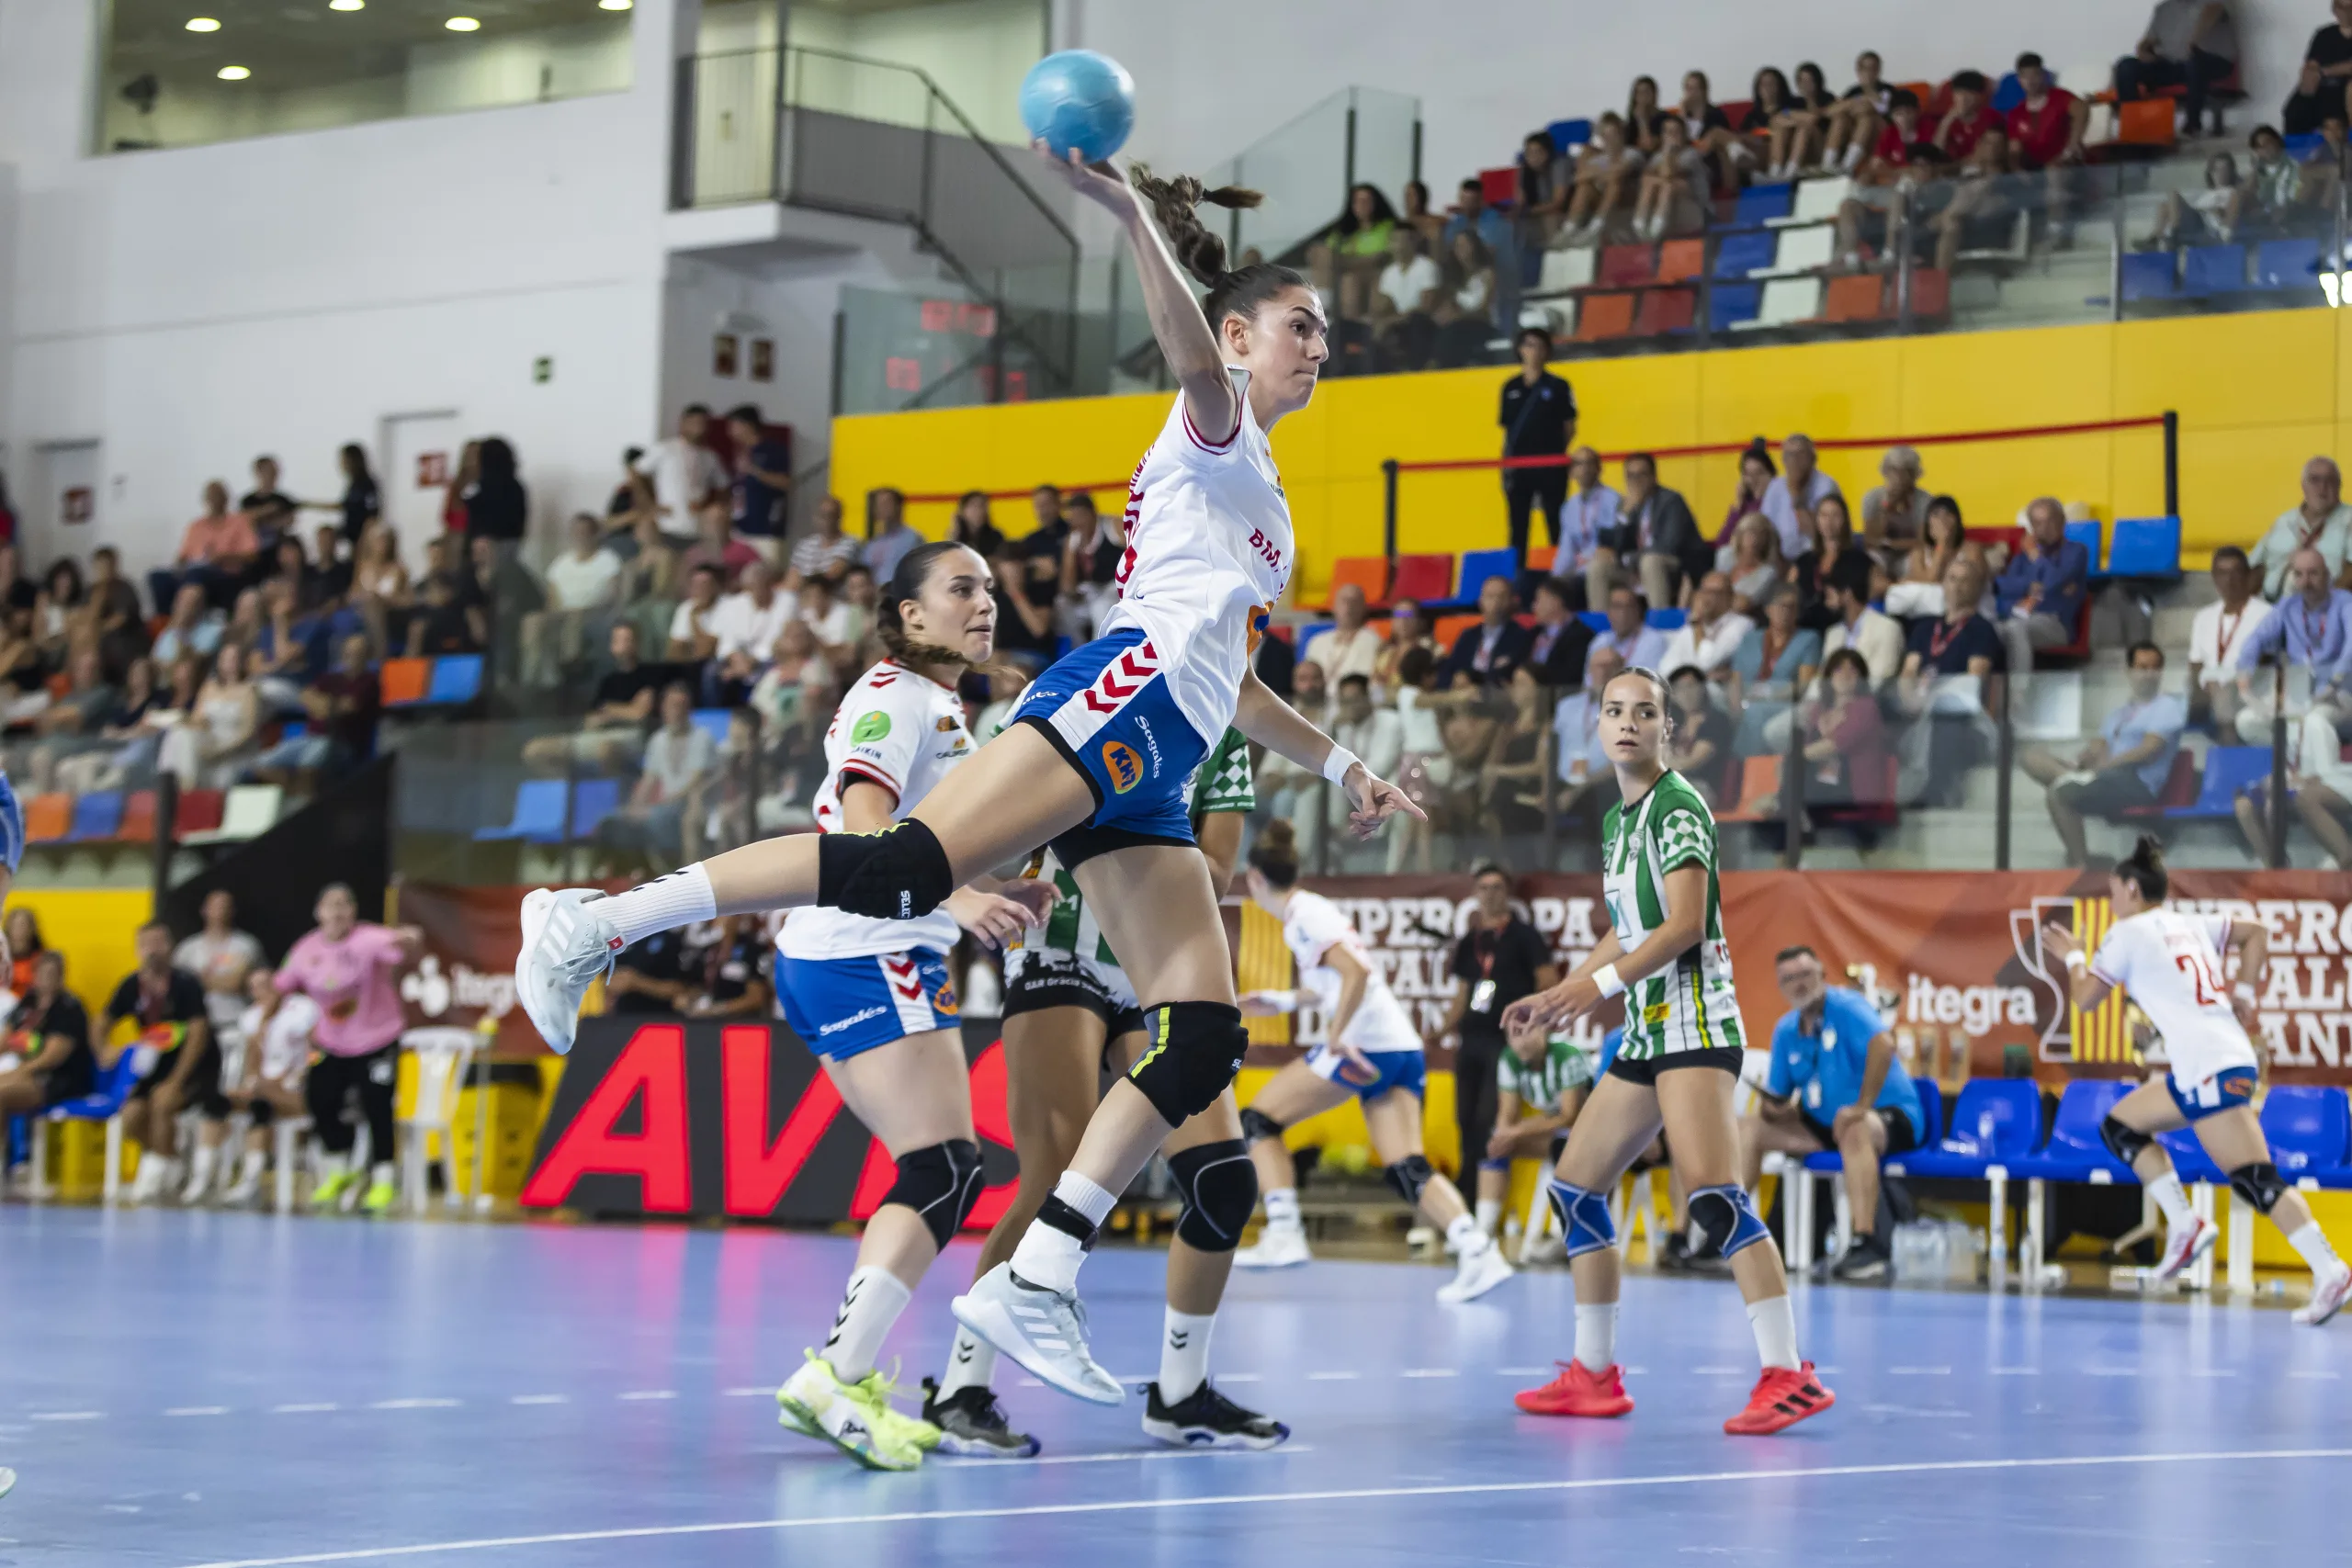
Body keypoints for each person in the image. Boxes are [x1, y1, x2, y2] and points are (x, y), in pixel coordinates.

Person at [518, 152, 1416, 1412]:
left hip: (1170, 746)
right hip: (1122, 699)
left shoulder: (1261, 494)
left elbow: (1240, 683)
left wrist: (1345, 759)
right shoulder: (1211, 425)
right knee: (897, 868)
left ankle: (1038, 1273)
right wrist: (1131, 217)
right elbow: (1185, 353)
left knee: (1204, 1030)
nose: (1320, 345)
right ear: (1237, 338)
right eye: (1300, 325)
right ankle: (594, 923)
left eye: (1324, 331)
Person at [764, 541, 1052, 1471]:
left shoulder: (936, 702)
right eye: (962, 588)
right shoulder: (897, 697)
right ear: (910, 614)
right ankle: (836, 1377)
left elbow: (924, 836)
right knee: (941, 1169)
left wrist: (994, 882)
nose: (986, 602)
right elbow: (863, 825)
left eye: (990, 588)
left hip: (852, 952)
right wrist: (959, 900)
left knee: (941, 1169)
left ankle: (840, 1374)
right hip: (866, 951)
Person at [927, 725, 1287, 1456]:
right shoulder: (1080, 700)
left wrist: (1138, 825)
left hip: (1158, 967)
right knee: (1054, 1177)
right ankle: (960, 1389)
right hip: (1060, 950)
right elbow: (977, 825)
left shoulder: (1222, 732)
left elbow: (1217, 871)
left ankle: (1181, 1394)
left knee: (1224, 1181)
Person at [1508, 666, 1832, 1435]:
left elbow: (1684, 924)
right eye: (1614, 710)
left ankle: (1789, 1373)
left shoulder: (1678, 804)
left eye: (1644, 711)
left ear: (1666, 729)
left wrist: (1599, 987)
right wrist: (1562, 993)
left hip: (1696, 1026)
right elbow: (1629, 928)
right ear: (1598, 726)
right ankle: (1593, 1374)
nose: (1628, 722)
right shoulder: (1620, 820)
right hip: (1648, 1029)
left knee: (1714, 1196)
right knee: (1576, 1190)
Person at [2042, 835, 2348, 1321]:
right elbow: (2255, 933)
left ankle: (2330, 1270)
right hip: (2205, 1064)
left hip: (2210, 1066)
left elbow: (2084, 999)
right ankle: (2185, 1224)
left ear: (2132, 889)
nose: (2112, 901)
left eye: (2114, 891)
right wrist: (2243, 994)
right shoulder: (2188, 923)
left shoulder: (2127, 933)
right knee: (2121, 1127)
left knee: (2255, 1179)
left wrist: (2075, 956)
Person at [1229, 821, 1514, 1303]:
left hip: (1366, 1045)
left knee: (1258, 1120)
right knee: (1407, 1168)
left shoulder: (1303, 915)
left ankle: (1284, 1230)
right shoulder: (1310, 912)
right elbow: (1330, 984)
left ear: (1255, 878)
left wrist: (1336, 1034)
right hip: (1399, 1047)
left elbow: (1357, 972)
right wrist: (1277, 1000)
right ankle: (1478, 1250)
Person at [1741, 947, 1926, 1282]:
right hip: (1825, 1124)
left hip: (1887, 1116)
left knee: (1855, 1128)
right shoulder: (1786, 1030)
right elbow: (1779, 1096)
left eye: (1805, 975)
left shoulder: (1847, 1007)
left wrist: (1862, 1106)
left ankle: (1868, 1244)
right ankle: (1729, 1234)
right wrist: (1775, 1109)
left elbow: (1883, 1045)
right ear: (1780, 986)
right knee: (1749, 1128)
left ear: (1822, 975)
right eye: (1789, 978)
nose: (1798, 984)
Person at [274, 885, 422, 1215]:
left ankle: (383, 1178)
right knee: (319, 1098)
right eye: (331, 905)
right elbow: (282, 984)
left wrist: (410, 939)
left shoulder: (370, 939)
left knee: (377, 1103)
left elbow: (402, 944)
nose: (337, 912)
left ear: (353, 911)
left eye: (344, 905)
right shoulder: (305, 948)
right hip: (330, 1042)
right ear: (318, 912)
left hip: (377, 1037)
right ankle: (338, 1167)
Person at [1435, 862, 1561, 1238]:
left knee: (1487, 1119)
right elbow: (1463, 994)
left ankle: (1481, 1209)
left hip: (1504, 1041)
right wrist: (1441, 1029)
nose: (1490, 895)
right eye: (1483, 888)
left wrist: (1531, 1026)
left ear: (1507, 893)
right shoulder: (1470, 941)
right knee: (1463, 1119)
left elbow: (1546, 981)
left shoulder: (1524, 936)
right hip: (1470, 1039)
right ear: (1475, 894)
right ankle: (1463, 1204)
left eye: (1497, 888)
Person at [2019, 642, 2184, 865]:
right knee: (2031, 757)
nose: (2148, 674)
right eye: (2142, 668)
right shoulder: (2119, 713)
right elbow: (2099, 746)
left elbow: (2148, 750)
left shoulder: (2167, 707)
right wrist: (2083, 759)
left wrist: (2105, 767)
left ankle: (2081, 862)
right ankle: (2074, 777)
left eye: (2155, 668)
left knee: (2058, 795)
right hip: (2106, 778)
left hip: (2136, 784)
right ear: (2129, 671)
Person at [107, 920, 218, 1205]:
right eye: (146, 944)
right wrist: (104, 1049)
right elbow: (102, 1020)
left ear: (170, 947)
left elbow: (198, 1034)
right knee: (131, 1115)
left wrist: (176, 1081)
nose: (152, 950)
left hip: (195, 1066)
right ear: (138, 949)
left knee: (162, 1101)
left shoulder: (186, 983)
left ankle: (156, 1176)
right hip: (155, 1065)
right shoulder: (132, 985)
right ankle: (168, 1158)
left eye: (158, 943)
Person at [1477, 1010, 1598, 1248]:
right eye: (1513, 1034)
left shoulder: (1566, 1055)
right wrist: (1502, 1136)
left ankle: (1561, 1237)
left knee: (1564, 1148)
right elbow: (1507, 1114)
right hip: (1557, 1134)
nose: (1519, 1041)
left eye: (1526, 1032)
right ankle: (1482, 1235)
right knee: (1495, 1149)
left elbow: (1569, 1116)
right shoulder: (1509, 1058)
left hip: (1590, 1134)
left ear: (1544, 1030)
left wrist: (1516, 1131)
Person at [215, 965, 317, 1208]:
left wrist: (288, 1078)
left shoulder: (302, 1008)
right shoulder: (251, 1018)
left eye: (267, 984)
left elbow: (313, 1049)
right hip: (265, 1090)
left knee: (262, 1098)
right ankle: (243, 1177)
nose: (263, 991)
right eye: (255, 987)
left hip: (298, 1087)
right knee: (226, 1102)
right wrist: (264, 1023)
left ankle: (252, 1178)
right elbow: (253, 1059)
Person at [2234, 547, 2352, 742]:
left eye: (2313, 573)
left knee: (2314, 721)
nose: (2306, 582)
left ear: (2327, 575)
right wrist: (2244, 677)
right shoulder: (2288, 606)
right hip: (2299, 696)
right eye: (2299, 574)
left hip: (2341, 695)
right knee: (2247, 721)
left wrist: (2335, 681)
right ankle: (2290, 759)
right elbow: (2257, 638)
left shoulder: (2345, 603)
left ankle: (2311, 761)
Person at [1498, 330, 1577, 571]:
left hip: (1551, 466)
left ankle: (1561, 574)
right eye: (1529, 345)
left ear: (1547, 352)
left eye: (1540, 346)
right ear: (1520, 350)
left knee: (1555, 522)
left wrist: (1553, 452)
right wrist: (1507, 465)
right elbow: (1508, 431)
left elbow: (1569, 427)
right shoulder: (1510, 387)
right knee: (1518, 526)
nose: (1534, 351)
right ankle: (1517, 576)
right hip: (1519, 467)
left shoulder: (1559, 386)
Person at [2113, 0, 2241, 136]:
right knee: (2126, 66)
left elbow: (2213, 10)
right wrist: (2143, 51)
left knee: (2195, 62)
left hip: (2213, 62)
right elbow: (2148, 41)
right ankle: (2134, 126)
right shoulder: (2164, 8)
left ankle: (2192, 126)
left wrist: (2194, 41)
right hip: (2174, 64)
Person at [0, 951, 95, 1134]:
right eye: (42, 973)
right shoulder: (29, 1002)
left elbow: (51, 1058)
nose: (46, 978)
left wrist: (19, 1073)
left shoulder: (69, 1008)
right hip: (27, 1073)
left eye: (52, 974)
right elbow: (7, 1038)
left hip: (59, 1080)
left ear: (61, 977)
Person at [1994, 497, 2089, 674]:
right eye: (2037, 523)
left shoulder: (2076, 551)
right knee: (1986, 630)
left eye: (2050, 521)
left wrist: (2036, 557)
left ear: (2062, 521)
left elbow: (2053, 582)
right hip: (2018, 617)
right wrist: (2029, 586)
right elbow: (2001, 587)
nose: (2044, 528)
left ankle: (2019, 691)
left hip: (2056, 623)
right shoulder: (2021, 559)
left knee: (2015, 629)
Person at [1604, 453, 1707, 611]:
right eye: (1631, 476)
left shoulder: (1671, 500)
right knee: (1599, 569)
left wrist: (1631, 560)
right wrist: (1625, 516)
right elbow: (1618, 548)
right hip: (1638, 566)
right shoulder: (1626, 505)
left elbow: (1668, 546)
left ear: (1654, 477)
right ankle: (1600, 622)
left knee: (1650, 562)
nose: (1636, 481)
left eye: (1641, 475)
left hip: (1676, 565)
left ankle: (1660, 618)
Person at [2188, 545, 2270, 736]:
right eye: (2222, 573)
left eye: (2236, 572)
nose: (2229, 580)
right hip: (2209, 696)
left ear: (2248, 575)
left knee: (2224, 694)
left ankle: (2228, 750)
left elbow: (2265, 662)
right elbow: (2196, 665)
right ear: (2214, 577)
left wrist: (2229, 685)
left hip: (2250, 693)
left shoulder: (2266, 614)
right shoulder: (2203, 617)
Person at [2247, 457, 2351, 601]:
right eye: (2315, 480)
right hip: (2275, 605)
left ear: (2339, 486)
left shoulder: (2349, 519)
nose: (2322, 487)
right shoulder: (2284, 521)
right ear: (2303, 485)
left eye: (2330, 481)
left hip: (2327, 606)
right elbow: (2256, 567)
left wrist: (2328, 605)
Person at [173, 889, 261, 1055]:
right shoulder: (187, 948)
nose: (220, 910)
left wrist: (198, 979)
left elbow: (236, 983)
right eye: (215, 906)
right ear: (203, 910)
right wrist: (221, 980)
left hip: (234, 1024)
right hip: (194, 1027)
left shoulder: (246, 945)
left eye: (225, 906)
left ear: (233, 911)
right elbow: (178, 987)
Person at [638, 405, 726, 546]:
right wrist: (649, 503)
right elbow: (636, 474)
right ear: (683, 423)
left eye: (703, 423)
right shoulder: (665, 448)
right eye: (694, 422)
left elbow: (723, 487)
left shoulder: (710, 456)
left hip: (699, 528)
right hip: (667, 525)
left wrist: (709, 506)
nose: (699, 428)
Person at [726, 405, 792, 565]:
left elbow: (786, 483)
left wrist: (753, 470)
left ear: (748, 425)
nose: (730, 431)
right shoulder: (742, 452)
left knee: (764, 573)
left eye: (734, 426)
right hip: (739, 529)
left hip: (765, 531)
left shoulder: (773, 450)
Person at [1443, 574, 1533, 689]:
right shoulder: (1468, 635)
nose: (1495, 602)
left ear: (1511, 601)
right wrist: (1457, 677)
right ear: (1480, 601)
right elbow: (1448, 671)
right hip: (1463, 693)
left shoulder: (1521, 637)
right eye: (1490, 596)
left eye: (1501, 597)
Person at [1659, 571, 1754, 679]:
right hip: (1682, 686)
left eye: (1715, 593)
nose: (1707, 598)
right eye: (1704, 591)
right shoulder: (1690, 628)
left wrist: (1698, 625)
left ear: (1729, 597)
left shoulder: (1741, 625)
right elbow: (1665, 666)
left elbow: (1706, 663)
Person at [1525, 576, 1593, 689]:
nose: (1533, 606)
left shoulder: (1581, 635)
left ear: (1556, 601)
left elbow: (1571, 676)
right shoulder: (1533, 633)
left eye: (1538, 600)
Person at [789, 495, 863, 586]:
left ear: (840, 517)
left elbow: (832, 575)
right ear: (815, 517)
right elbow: (792, 577)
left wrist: (802, 582)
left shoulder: (850, 543)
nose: (827, 520)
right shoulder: (804, 545)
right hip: (802, 592)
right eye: (823, 515)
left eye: (832, 515)